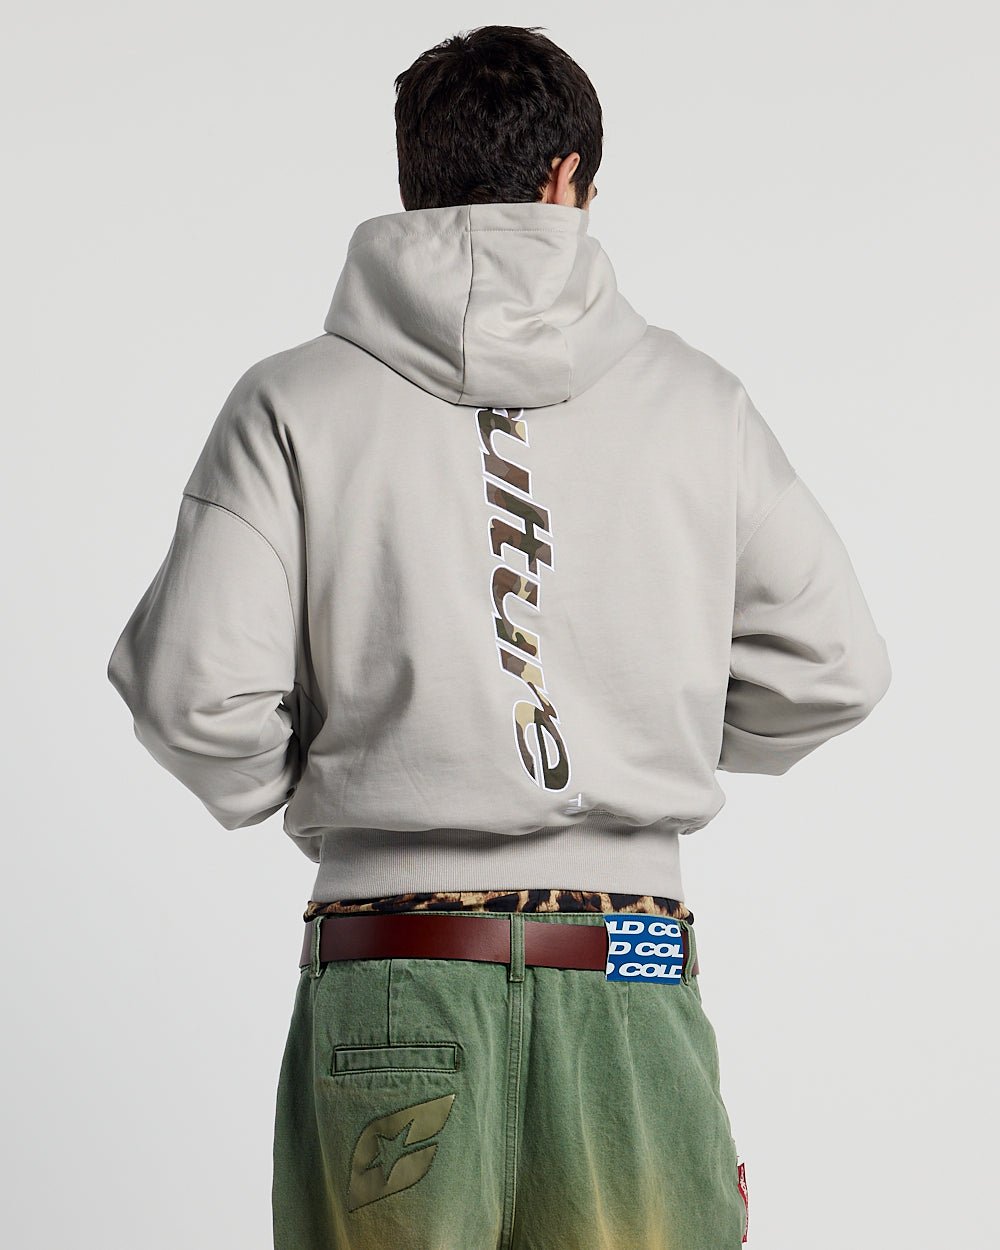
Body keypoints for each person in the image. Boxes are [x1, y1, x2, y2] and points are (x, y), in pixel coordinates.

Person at [106, 23, 891, 1250]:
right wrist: (649, 729)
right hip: (626, 961)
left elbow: (191, 696)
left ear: (412, 176)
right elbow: (835, 666)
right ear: (569, 177)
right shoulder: (699, 404)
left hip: (392, 961)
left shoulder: (291, 402)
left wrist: (342, 776)